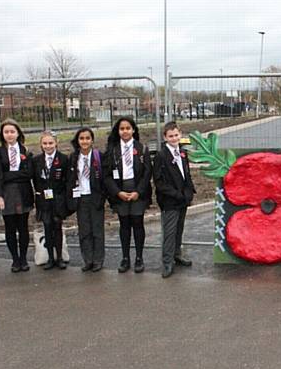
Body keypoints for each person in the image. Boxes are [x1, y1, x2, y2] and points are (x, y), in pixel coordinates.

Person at [103, 117, 152, 274]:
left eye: (128, 128)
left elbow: (147, 173)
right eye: (121, 129)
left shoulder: (142, 148)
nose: (125, 131)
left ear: (133, 130)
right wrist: (118, 192)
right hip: (120, 192)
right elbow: (107, 175)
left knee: (138, 223)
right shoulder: (112, 150)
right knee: (124, 225)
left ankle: (139, 258)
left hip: (138, 192)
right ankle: (125, 258)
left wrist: (138, 191)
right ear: (118, 131)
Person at [153, 121, 196, 278]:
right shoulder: (161, 156)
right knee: (169, 232)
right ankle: (167, 262)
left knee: (179, 229)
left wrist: (190, 191)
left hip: (183, 199)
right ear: (165, 137)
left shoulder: (183, 153)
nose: (174, 138)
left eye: (176, 135)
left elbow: (186, 174)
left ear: (180, 135)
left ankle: (177, 254)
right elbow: (159, 182)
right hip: (170, 200)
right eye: (170, 136)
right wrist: (177, 194)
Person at [0, 119, 35, 273]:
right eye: (6, 132)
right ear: (2, 134)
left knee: (23, 227)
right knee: (10, 227)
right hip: (6, 194)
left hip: (23, 192)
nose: (9, 135)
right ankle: (15, 260)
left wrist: (8, 175)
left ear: (18, 133)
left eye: (12, 131)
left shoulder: (25, 150)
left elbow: (28, 173)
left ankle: (23, 258)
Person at [67, 128, 106, 272]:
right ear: (78, 141)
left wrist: (102, 197)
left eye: (87, 138)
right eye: (81, 138)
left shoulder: (98, 156)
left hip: (95, 198)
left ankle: (98, 260)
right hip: (80, 198)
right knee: (84, 231)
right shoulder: (73, 158)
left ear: (92, 140)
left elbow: (104, 179)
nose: (85, 141)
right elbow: (70, 179)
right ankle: (88, 259)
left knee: (97, 231)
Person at [32, 131, 69, 270]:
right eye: (45, 143)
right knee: (47, 227)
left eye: (50, 143)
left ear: (56, 143)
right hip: (44, 200)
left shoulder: (64, 159)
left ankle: (59, 257)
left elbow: (67, 180)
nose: (48, 146)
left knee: (57, 226)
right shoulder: (36, 160)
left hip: (58, 199)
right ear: (41, 145)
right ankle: (50, 258)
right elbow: (35, 180)